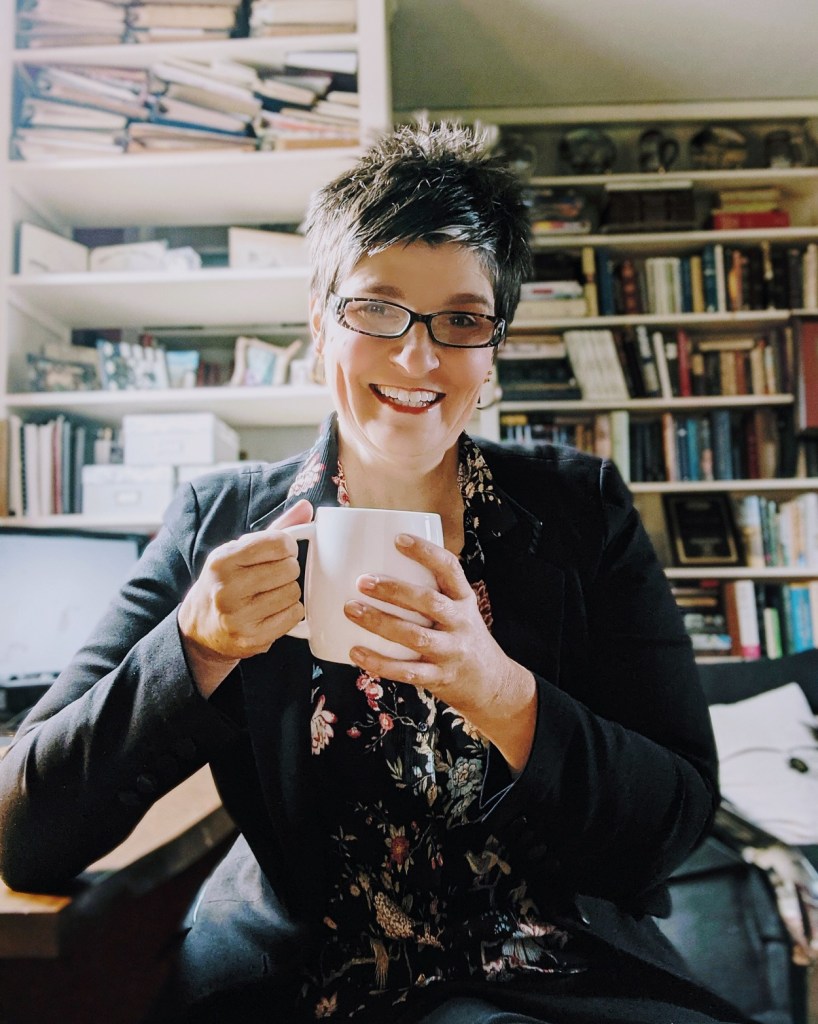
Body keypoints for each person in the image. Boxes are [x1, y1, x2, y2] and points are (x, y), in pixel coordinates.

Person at [0, 122, 749, 1024]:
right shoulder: (220, 521)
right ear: (320, 327)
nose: (417, 357)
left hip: (551, 972)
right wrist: (195, 648)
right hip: (300, 975)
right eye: (376, 308)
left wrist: (502, 695)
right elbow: (22, 834)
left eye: (462, 320)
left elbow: (675, 820)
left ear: (494, 348)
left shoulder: (582, 510)